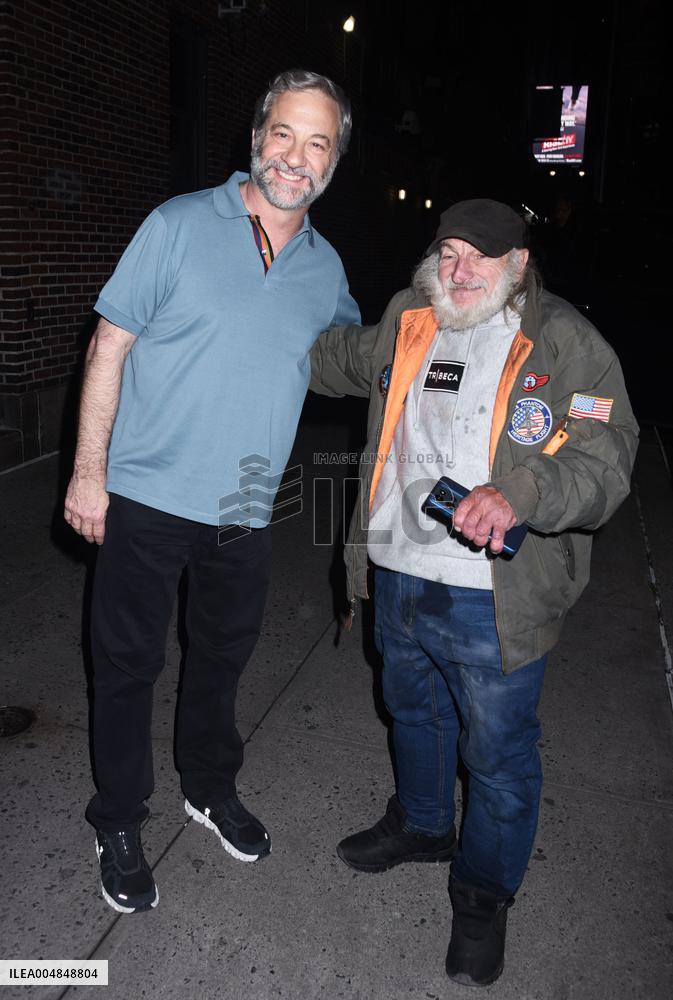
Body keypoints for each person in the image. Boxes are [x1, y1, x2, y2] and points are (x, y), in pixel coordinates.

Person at [310, 198, 637, 986]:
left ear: (517, 263)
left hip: (493, 594)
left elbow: (607, 461)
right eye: (448, 252)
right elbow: (329, 358)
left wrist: (521, 491)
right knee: (411, 710)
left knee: (496, 756)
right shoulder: (410, 314)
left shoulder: (565, 343)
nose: (458, 271)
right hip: (397, 570)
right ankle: (423, 826)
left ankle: (483, 894)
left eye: (478, 257)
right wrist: (263, 299)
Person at [64, 69, 360, 914]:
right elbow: (108, 347)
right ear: (256, 137)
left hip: (245, 497)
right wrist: (89, 473)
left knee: (222, 656)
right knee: (126, 666)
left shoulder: (323, 264)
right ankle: (118, 817)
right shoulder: (179, 223)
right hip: (148, 490)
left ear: (333, 160)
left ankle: (208, 786)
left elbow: (354, 355)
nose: (296, 158)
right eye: (284, 135)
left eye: (318, 143)